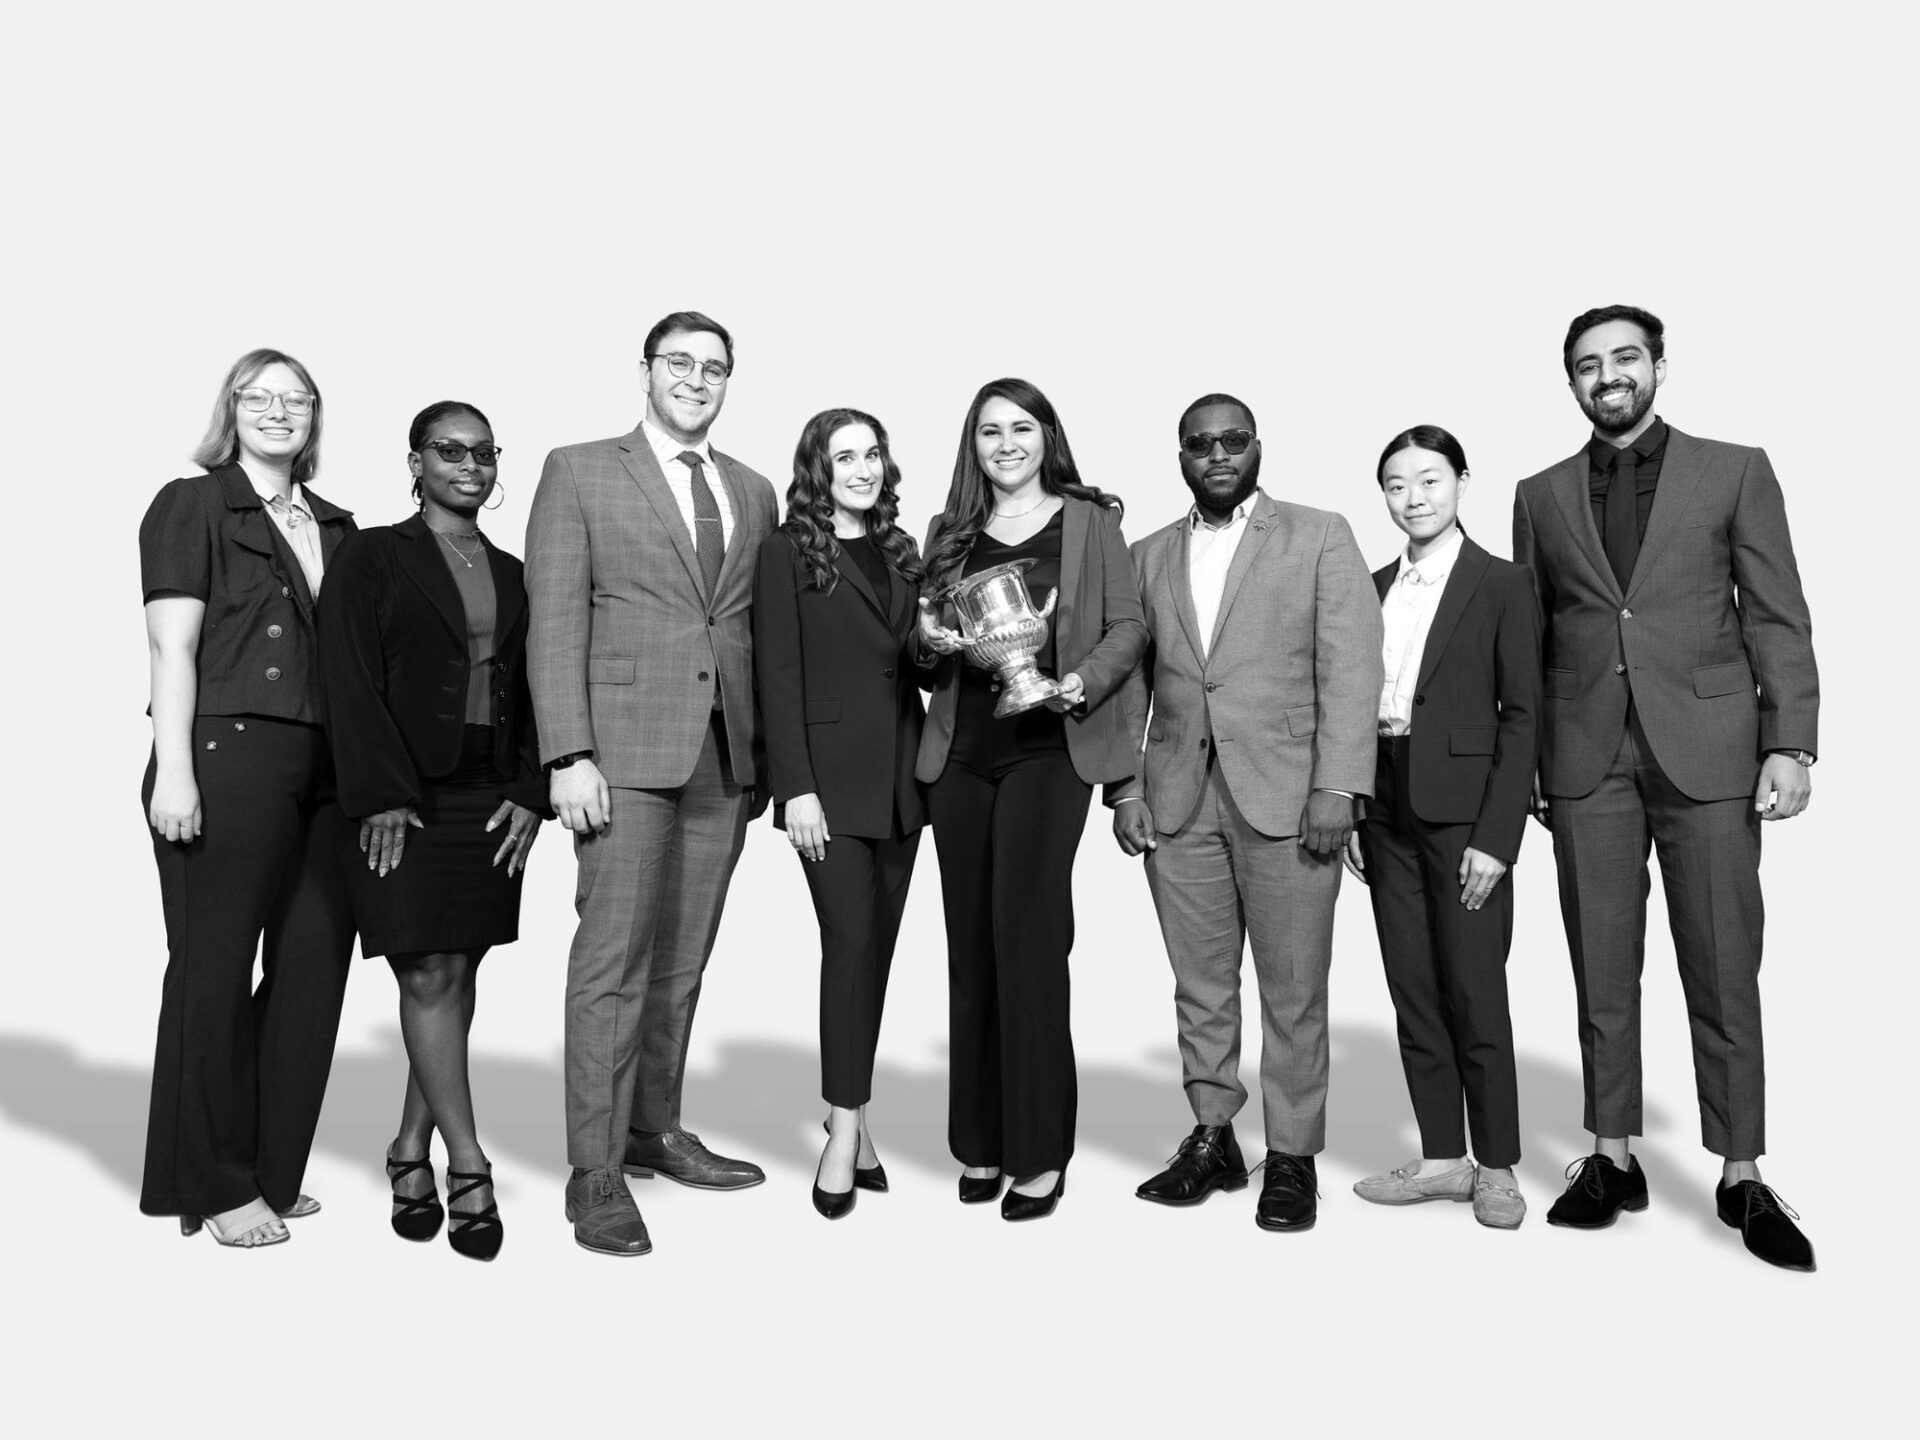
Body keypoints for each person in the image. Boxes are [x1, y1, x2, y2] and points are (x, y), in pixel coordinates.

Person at [1513, 305, 1820, 1270]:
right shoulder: (1540, 492)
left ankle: (1741, 1170)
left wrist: (1792, 744)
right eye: (1588, 365)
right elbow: (1528, 637)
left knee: (1724, 961)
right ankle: (1611, 1156)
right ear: (1571, 383)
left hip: (1713, 750)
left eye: (1624, 359)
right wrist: (1526, 761)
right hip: (1583, 758)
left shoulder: (1734, 469)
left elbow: (1777, 614)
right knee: (1602, 963)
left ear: (1657, 367)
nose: (1608, 376)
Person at [527, 310, 778, 1257]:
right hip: (620, 759)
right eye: (680, 363)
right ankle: (593, 1168)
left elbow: (751, 624)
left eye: (714, 368)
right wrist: (567, 754)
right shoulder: (580, 468)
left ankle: (651, 1130)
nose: (696, 379)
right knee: (612, 963)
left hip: (723, 761)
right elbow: (553, 619)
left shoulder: (753, 490)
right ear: (646, 371)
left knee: (680, 963)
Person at [1114, 393, 1381, 1233]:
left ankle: (1293, 1155)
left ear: (1257, 447)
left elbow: (1351, 668)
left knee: (1294, 990)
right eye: (1200, 444)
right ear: (1182, 457)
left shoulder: (1319, 534)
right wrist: (1124, 789)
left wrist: (1340, 785)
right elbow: (1128, 678)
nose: (1218, 454)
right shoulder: (1147, 554)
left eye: (1233, 440)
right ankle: (1214, 1135)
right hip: (1176, 800)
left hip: (1293, 796)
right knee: (1200, 984)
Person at [318, 401, 548, 1261]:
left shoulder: (517, 572)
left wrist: (531, 788)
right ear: (415, 461)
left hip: (491, 793)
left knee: (456, 967)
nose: (470, 466)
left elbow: (537, 687)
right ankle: (469, 1162)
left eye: (484, 453)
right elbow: (346, 676)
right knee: (427, 972)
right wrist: (377, 792)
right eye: (450, 451)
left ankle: (407, 1149)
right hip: (403, 795)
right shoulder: (372, 556)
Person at [137, 348, 357, 1248]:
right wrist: (176, 768)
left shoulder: (337, 525)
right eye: (258, 396)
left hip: (326, 769)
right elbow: (170, 650)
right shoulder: (193, 503)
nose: (278, 410)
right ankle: (215, 1183)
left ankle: (270, 1169)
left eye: (295, 398)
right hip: (225, 753)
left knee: (312, 972)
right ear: (232, 409)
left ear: (313, 416)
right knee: (214, 974)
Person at [916, 378, 1147, 1222]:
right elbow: (920, 636)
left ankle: (1039, 1151)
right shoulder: (949, 532)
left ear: (1048, 435)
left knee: (1030, 944)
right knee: (970, 952)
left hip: (1050, 751)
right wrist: (928, 637)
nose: (1005, 443)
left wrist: (1076, 680)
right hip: (960, 757)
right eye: (988, 432)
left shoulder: (1092, 520)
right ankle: (980, 1143)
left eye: (1021, 428)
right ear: (971, 446)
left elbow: (1128, 627)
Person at [1340, 425, 1540, 1229]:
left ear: (1461, 482)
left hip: (1466, 810)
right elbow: (1353, 700)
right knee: (1413, 987)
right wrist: (1354, 802)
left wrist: (1498, 837)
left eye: (1428, 480)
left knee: (1475, 988)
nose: (1413, 498)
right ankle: (1442, 1159)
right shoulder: (1371, 582)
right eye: (1396, 484)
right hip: (1385, 800)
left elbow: (1523, 716)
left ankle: (1496, 1167)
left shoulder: (1503, 583)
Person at [753, 409, 928, 1220]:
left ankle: (845, 1107)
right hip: (826, 785)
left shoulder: (901, 550)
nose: (861, 467)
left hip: (902, 780)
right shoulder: (787, 550)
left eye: (871, 454)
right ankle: (846, 1128)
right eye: (844, 456)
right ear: (818, 468)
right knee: (849, 943)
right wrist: (796, 789)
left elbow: (918, 665)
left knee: (877, 952)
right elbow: (777, 676)